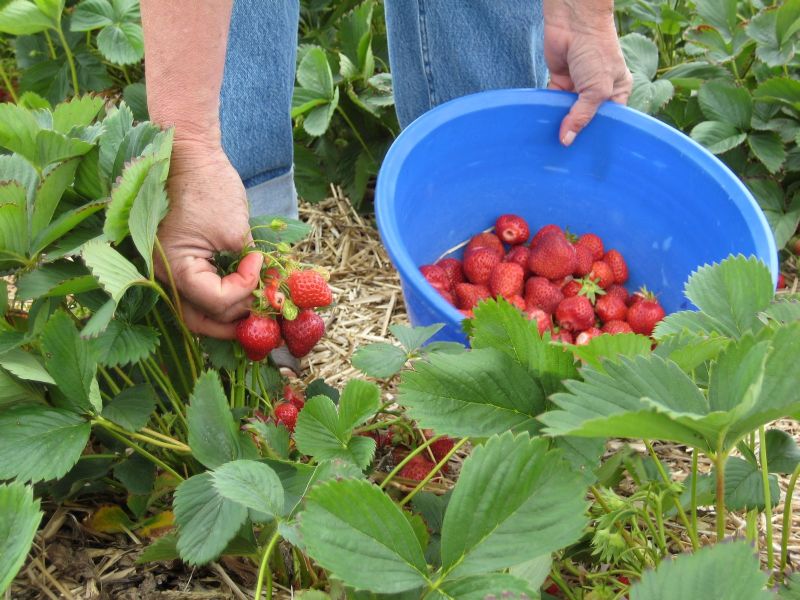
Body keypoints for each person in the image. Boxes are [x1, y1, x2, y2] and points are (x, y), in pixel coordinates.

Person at [140, 0, 632, 340]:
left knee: (484, 235)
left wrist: (582, 16)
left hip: (515, 286)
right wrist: (190, 151)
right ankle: (244, 260)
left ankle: (475, 190)